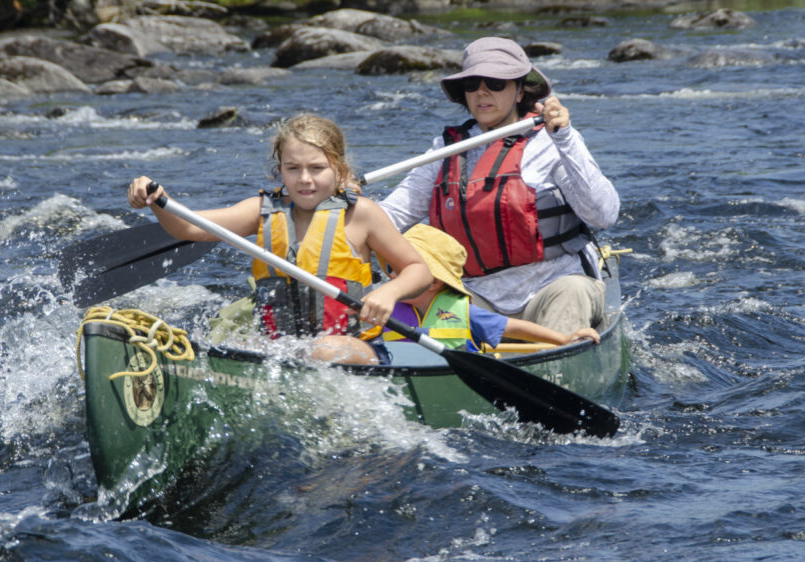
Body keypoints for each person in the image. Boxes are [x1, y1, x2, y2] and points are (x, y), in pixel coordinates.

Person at [127, 113, 433, 365]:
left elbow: (418, 271)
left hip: (352, 348)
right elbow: (188, 228)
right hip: (282, 350)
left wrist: (389, 293)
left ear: (339, 171)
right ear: (280, 172)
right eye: (293, 168)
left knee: (322, 350)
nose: (305, 179)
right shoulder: (261, 211)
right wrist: (157, 200)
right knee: (237, 347)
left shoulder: (361, 214)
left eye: (317, 168)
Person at [379, 36, 619, 334]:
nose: (482, 92)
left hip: (555, 283)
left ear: (520, 91)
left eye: (495, 83)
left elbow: (603, 215)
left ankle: (562, 351)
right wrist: (346, 210)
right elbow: (390, 217)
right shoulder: (444, 150)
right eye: (472, 85)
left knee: (573, 291)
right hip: (476, 292)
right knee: (427, 308)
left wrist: (565, 138)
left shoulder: (551, 140)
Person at [376, 224, 599, 364]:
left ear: (434, 282)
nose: (391, 276)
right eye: (391, 267)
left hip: (456, 379)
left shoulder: (465, 313)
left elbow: (513, 328)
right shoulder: (385, 308)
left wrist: (563, 339)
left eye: (401, 271)